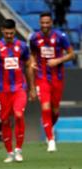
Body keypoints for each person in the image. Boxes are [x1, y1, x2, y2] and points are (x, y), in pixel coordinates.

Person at [0, 19, 36, 163]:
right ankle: (9, 152)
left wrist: (32, 88)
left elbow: (28, 67)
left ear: (15, 31)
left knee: (19, 115)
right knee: (5, 120)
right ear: (2, 30)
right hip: (3, 90)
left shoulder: (22, 46)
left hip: (20, 88)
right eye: (7, 33)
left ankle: (18, 150)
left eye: (12, 33)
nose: (9, 35)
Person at [29, 12, 74, 152]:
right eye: (42, 23)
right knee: (45, 107)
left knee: (55, 110)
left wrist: (58, 60)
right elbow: (32, 54)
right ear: (39, 23)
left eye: (47, 22)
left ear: (51, 23)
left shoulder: (61, 37)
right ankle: (51, 140)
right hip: (42, 77)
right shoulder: (34, 38)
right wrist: (32, 62)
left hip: (57, 78)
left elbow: (72, 54)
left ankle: (50, 127)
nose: (45, 25)